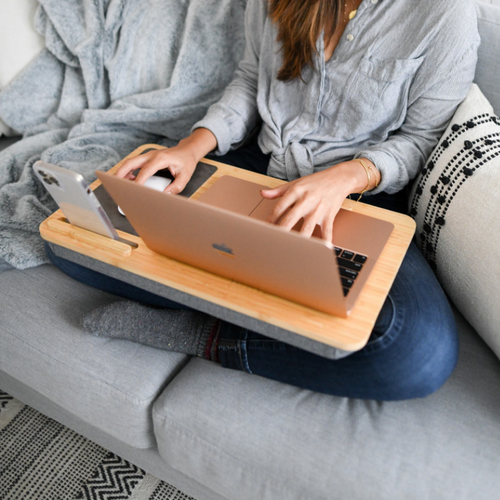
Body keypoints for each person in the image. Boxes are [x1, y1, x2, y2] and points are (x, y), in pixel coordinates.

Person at [46, 0, 480, 400]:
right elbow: (252, 79)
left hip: (362, 194)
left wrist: (345, 177)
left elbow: (422, 138)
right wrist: (192, 146)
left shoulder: (444, 12)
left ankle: (204, 332)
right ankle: (253, 299)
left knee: (418, 357)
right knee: (72, 241)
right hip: (261, 164)